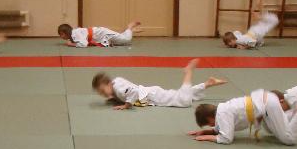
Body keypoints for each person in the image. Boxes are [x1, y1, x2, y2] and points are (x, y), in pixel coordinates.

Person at [190, 90, 297, 146]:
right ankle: (296, 114)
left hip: (267, 105)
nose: (211, 125)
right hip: (265, 104)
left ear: (209, 117)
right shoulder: (222, 110)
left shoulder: (222, 113)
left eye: (208, 124)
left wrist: (208, 137)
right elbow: (221, 128)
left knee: (289, 139)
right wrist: (207, 131)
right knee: (271, 130)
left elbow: (227, 138)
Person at [92, 59, 227, 109]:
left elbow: (132, 92)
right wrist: (113, 98)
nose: (104, 95)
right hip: (151, 93)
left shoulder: (118, 88)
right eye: (101, 94)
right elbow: (124, 92)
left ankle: (188, 72)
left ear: (108, 84)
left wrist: (126, 105)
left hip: (152, 95)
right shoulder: (116, 84)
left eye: (103, 91)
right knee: (178, 95)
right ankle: (206, 84)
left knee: (184, 101)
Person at [58, 21, 141, 48]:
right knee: (120, 42)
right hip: (101, 37)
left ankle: (130, 27)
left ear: (65, 32)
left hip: (103, 33)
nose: (61, 37)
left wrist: (71, 44)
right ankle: (129, 31)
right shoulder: (74, 34)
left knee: (126, 40)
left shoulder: (75, 34)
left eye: (61, 34)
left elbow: (84, 44)